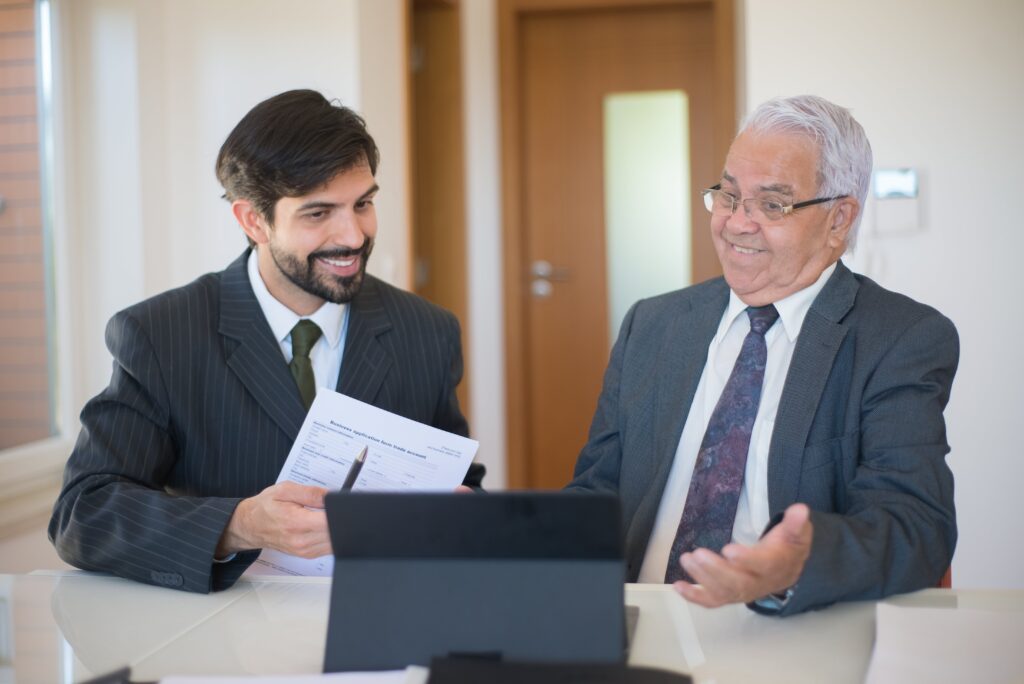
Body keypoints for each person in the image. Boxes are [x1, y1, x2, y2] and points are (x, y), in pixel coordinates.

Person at [49, 89, 484, 593]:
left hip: (380, 620)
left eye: (363, 203)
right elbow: (82, 514)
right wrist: (238, 525)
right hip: (221, 642)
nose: (355, 235)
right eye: (318, 213)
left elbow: (458, 481)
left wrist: (466, 512)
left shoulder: (428, 331)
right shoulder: (160, 334)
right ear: (253, 220)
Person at [567, 95, 958, 615]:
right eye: (728, 196)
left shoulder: (899, 339)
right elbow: (597, 493)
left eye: (771, 205)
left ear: (839, 220)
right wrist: (499, 533)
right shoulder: (653, 326)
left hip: (787, 624)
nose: (736, 223)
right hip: (639, 619)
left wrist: (796, 566)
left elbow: (913, 524)